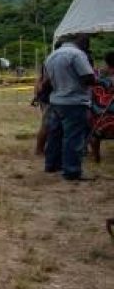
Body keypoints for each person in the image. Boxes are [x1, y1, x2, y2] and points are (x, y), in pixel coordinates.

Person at [43, 33, 96, 181]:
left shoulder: (52, 56)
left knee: (55, 135)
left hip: (56, 100)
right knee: (73, 137)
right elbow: (88, 77)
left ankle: (51, 164)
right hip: (74, 101)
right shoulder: (77, 55)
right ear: (83, 43)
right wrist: (97, 80)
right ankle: (72, 171)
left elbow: (47, 81)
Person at [89, 50, 114, 162]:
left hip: (102, 115)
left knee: (95, 133)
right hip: (107, 114)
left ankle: (96, 156)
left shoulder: (100, 80)